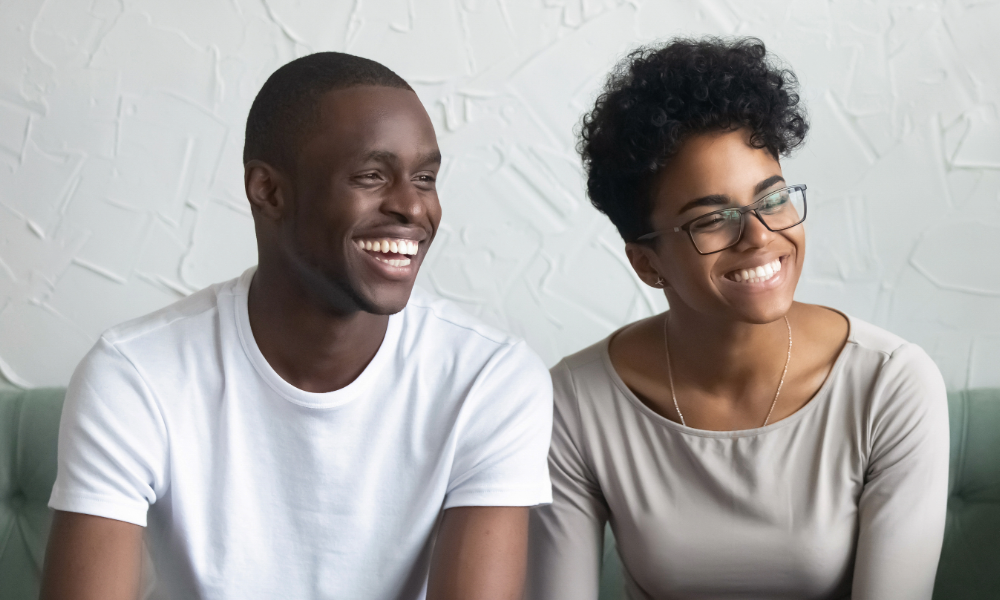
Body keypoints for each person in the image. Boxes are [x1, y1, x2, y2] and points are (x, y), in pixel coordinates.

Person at [41, 52, 553, 600]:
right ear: (268, 191)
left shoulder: (489, 378)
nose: (412, 206)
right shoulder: (135, 375)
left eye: (425, 178)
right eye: (372, 175)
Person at [527, 37, 949, 600]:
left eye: (772, 199)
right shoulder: (576, 404)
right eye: (712, 219)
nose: (759, 236)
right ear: (647, 262)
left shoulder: (889, 384)